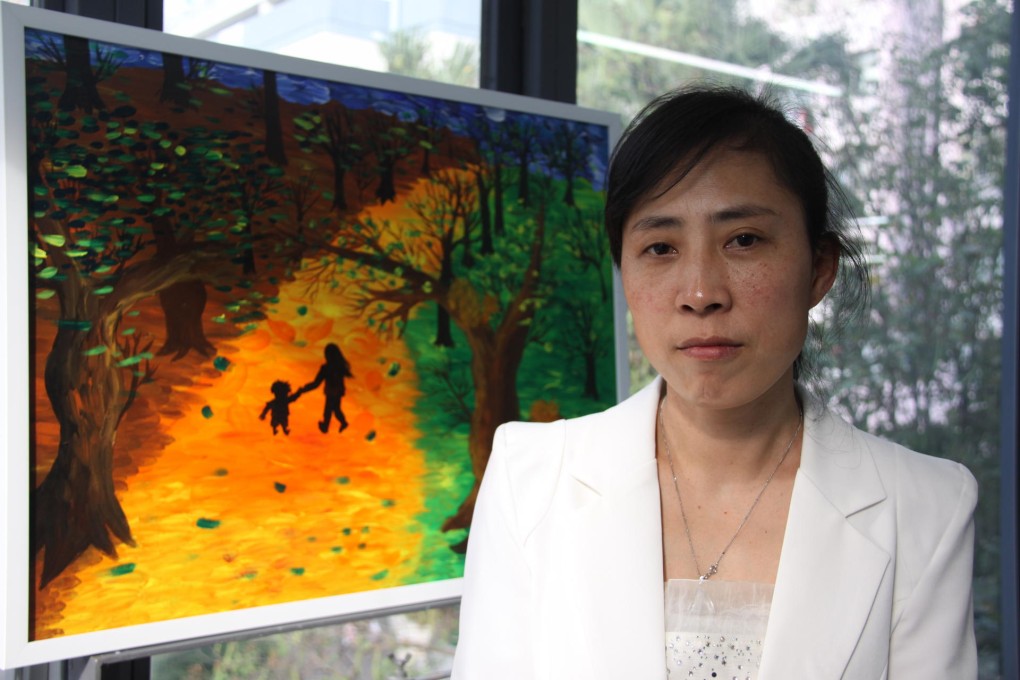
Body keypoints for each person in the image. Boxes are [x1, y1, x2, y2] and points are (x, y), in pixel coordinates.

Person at [451, 85, 977, 679]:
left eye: (744, 240)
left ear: (818, 269)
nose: (701, 293)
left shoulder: (927, 506)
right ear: (624, 275)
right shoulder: (530, 477)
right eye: (660, 247)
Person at [301, 342, 354, 434]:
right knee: (335, 409)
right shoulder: (339, 367)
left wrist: (305, 389)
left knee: (329, 409)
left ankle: (327, 426)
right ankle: (340, 423)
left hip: (332, 392)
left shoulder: (326, 368)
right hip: (337, 391)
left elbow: (316, 383)